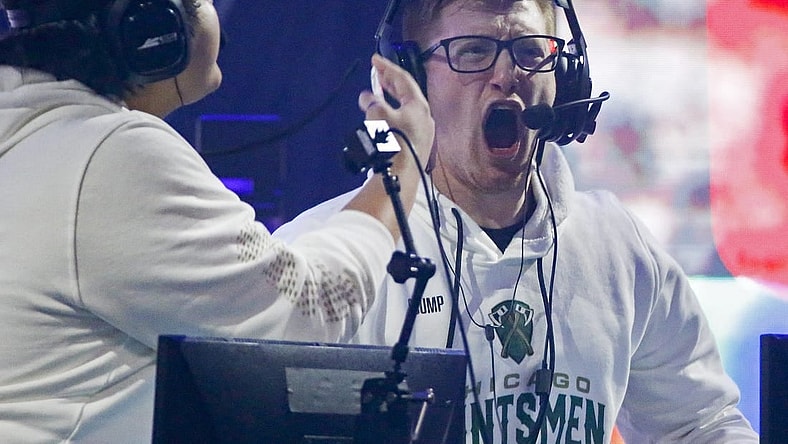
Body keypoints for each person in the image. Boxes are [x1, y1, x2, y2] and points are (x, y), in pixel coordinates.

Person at [274, 0, 760, 442]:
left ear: (563, 77)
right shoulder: (326, 254)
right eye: (472, 51)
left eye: (530, 51)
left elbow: (702, 426)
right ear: (411, 85)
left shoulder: (616, 245)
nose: (507, 75)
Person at [0, 0, 433, 441]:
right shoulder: (108, 155)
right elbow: (313, 308)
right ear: (155, 25)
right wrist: (401, 161)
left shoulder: (29, 135)